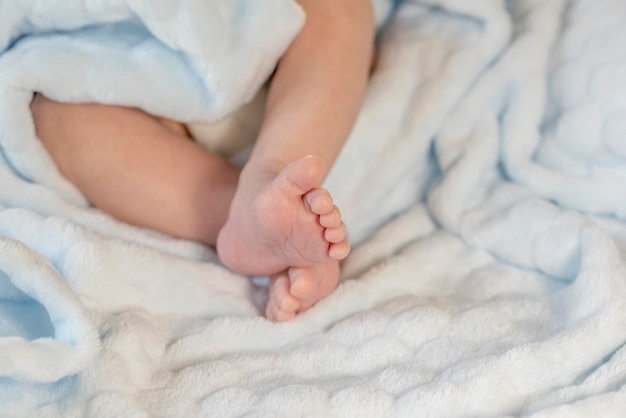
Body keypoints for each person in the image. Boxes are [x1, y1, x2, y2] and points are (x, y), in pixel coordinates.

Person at [30, 0, 375, 321]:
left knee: (340, 7)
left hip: (278, 49)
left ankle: (273, 172)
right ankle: (249, 218)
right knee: (52, 115)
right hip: (133, 67)